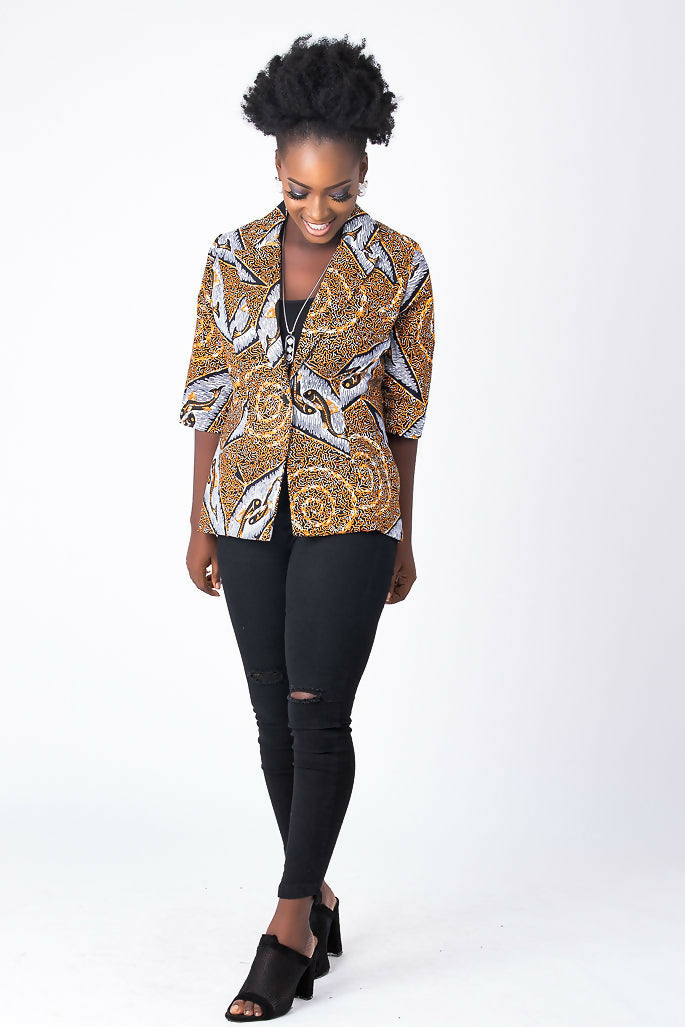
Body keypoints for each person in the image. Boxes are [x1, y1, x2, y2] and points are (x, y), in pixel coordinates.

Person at [180, 33, 436, 1022]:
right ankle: (319, 893)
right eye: (298, 191)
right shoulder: (230, 257)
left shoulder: (399, 265)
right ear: (276, 172)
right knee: (271, 719)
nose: (317, 211)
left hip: (352, 506)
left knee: (317, 714)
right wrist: (200, 518)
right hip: (246, 506)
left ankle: (287, 925)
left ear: (363, 169)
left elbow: (405, 410)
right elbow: (209, 392)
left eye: (337, 191)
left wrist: (403, 532)